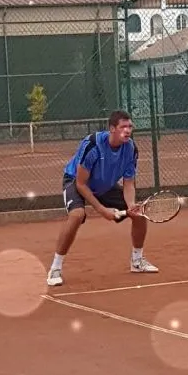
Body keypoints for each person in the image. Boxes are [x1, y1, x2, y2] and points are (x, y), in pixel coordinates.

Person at [47, 109, 158, 287]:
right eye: (123, 127)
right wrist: (101, 210)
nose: (128, 131)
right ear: (112, 129)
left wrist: (130, 205)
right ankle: (55, 267)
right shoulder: (92, 145)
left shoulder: (130, 149)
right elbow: (81, 184)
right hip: (76, 180)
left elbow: (129, 183)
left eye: (130, 126)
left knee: (139, 213)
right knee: (77, 215)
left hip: (104, 185)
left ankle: (137, 261)